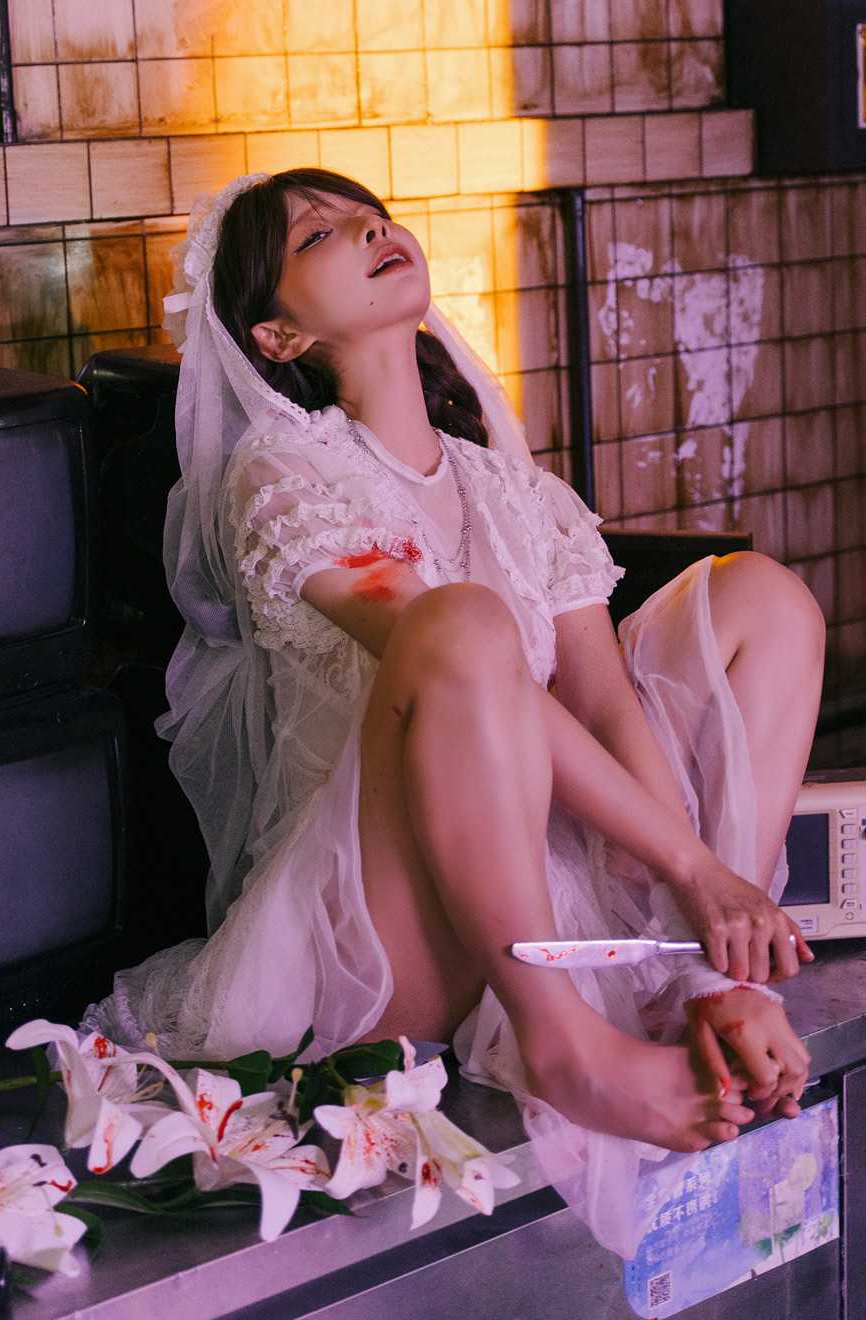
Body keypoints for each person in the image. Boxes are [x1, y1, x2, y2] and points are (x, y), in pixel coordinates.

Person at [82, 167, 823, 1260]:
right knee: (462, 623)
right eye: (318, 236)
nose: (367, 229)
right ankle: (563, 1041)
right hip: (381, 928)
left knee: (763, 594)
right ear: (279, 336)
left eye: (369, 214)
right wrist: (691, 863)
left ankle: (716, 980)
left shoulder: (514, 487)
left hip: (554, 877)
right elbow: (485, 672)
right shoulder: (280, 473)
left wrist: (707, 896)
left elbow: (603, 701)